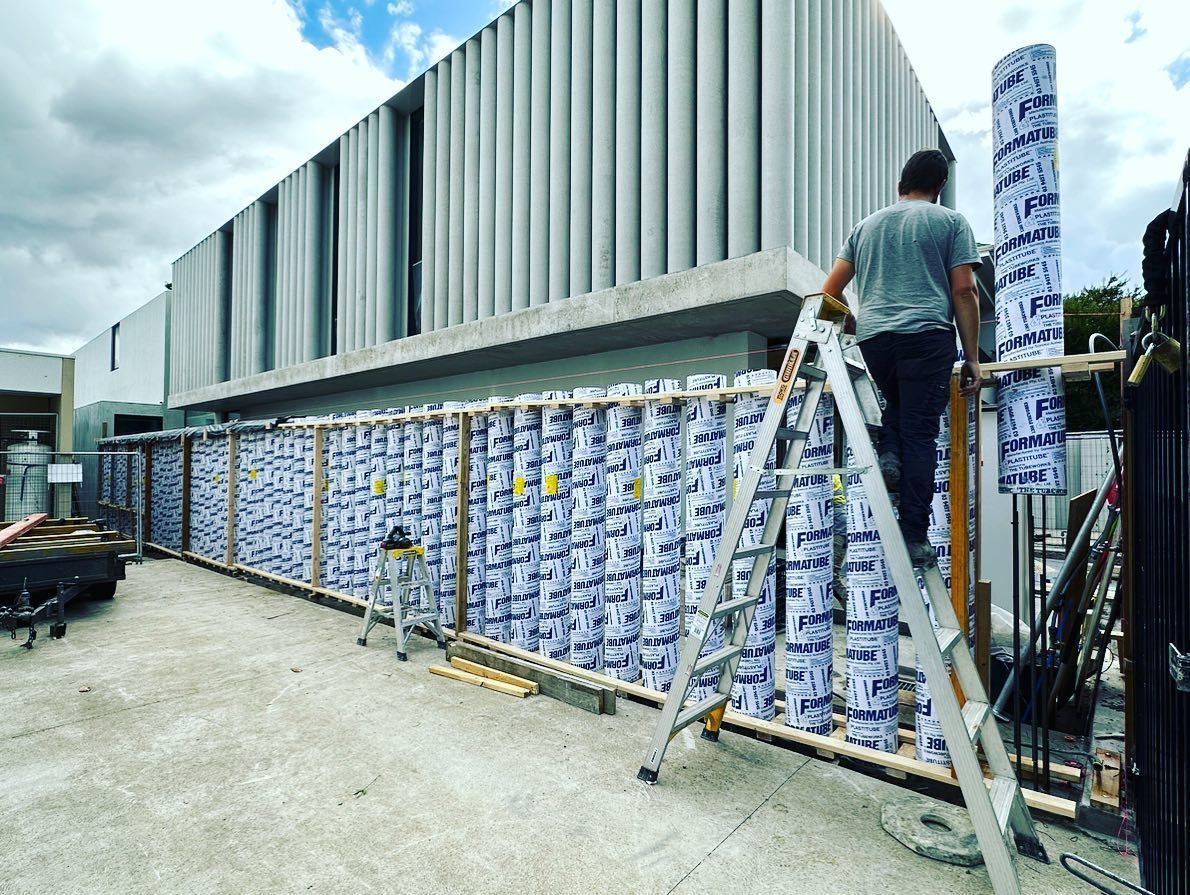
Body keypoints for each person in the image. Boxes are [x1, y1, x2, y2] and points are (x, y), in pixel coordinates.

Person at [820, 149, 982, 567]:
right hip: (926, 335)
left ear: (900, 185)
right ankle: (914, 535)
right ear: (940, 188)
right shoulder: (950, 222)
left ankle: (889, 457)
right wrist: (972, 358)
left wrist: (855, 321)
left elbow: (827, 293)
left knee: (898, 404)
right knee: (921, 433)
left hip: (877, 341)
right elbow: (965, 290)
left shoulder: (866, 226)